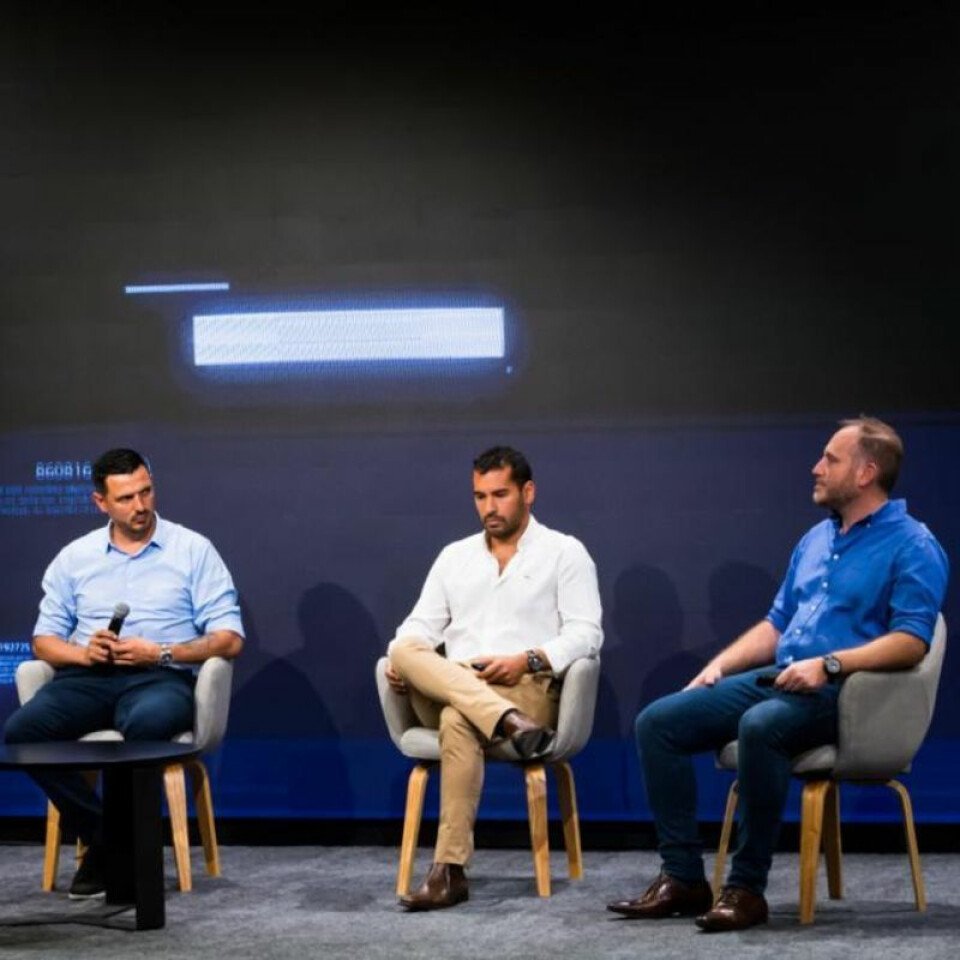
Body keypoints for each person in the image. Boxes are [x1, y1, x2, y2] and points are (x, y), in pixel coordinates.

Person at [608, 416, 948, 932]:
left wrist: (830, 664)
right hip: (784, 677)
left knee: (761, 725)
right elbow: (778, 623)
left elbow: (912, 640)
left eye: (830, 459)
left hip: (848, 693)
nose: (816, 468)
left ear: (866, 473)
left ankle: (746, 888)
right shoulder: (815, 539)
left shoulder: (914, 544)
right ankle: (682, 877)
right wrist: (719, 665)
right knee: (659, 722)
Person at [3, 448, 244, 899]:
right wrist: (83, 653)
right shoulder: (75, 557)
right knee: (21, 732)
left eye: (146, 492)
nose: (140, 506)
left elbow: (229, 639)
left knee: (146, 724)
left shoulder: (193, 550)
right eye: (126, 498)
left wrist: (161, 651)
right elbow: (43, 642)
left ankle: (107, 853)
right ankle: (108, 841)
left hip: (160, 677)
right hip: (87, 679)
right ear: (101, 502)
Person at [386, 446, 603, 911]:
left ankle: (449, 871)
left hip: (528, 688)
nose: (489, 507)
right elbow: (418, 627)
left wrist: (528, 660)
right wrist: (401, 659)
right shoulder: (454, 556)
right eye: (480, 496)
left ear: (528, 492)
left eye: (500, 495)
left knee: (457, 718)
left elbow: (587, 634)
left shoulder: (564, 552)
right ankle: (505, 720)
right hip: (468, 687)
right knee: (402, 649)